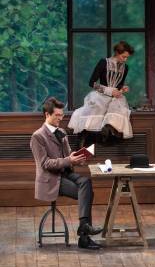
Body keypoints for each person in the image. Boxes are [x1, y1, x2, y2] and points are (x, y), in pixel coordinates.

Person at [30, 97, 102, 250]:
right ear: (47, 115)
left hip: (65, 173)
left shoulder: (61, 132)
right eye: (57, 115)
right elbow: (45, 164)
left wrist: (78, 158)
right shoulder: (38, 136)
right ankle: (84, 235)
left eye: (61, 115)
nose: (60, 118)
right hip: (51, 179)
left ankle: (84, 228)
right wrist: (69, 160)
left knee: (86, 183)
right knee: (86, 193)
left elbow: (68, 155)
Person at [69, 41, 134, 145]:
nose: (125, 59)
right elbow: (92, 82)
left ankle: (105, 141)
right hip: (101, 96)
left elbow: (119, 85)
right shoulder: (104, 62)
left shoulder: (125, 67)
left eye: (127, 57)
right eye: (123, 56)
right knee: (91, 121)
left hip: (115, 99)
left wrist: (122, 88)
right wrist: (109, 90)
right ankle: (84, 146)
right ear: (117, 53)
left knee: (115, 120)